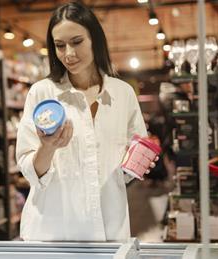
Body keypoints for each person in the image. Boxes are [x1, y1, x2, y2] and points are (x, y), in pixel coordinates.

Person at [16, 1, 157, 241]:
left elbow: (128, 168)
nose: (68, 54)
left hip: (109, 229)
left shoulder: (122, 94)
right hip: (52, 233)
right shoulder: (42, 93)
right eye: (60, 46)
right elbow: (30, 170)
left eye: (77, 42)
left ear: (95, 39)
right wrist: (47, 147)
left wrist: (138, 163)